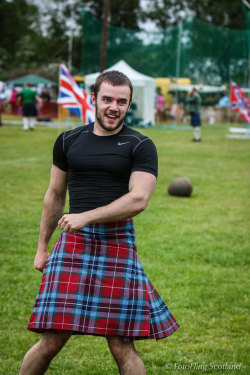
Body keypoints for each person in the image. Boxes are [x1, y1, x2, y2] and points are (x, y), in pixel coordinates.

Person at [19, 71, 180, 375]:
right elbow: (54, 195)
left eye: (121, 101)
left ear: (129, 104)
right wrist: (41, 248)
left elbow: (138, 199)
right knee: (51, 339)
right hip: (73, 244)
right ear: (93, 99)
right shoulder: (68, 140)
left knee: (121, 343)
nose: (113, 107)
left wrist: (86, 216)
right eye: (107, 99)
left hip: (117, 242)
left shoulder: (140, 144)